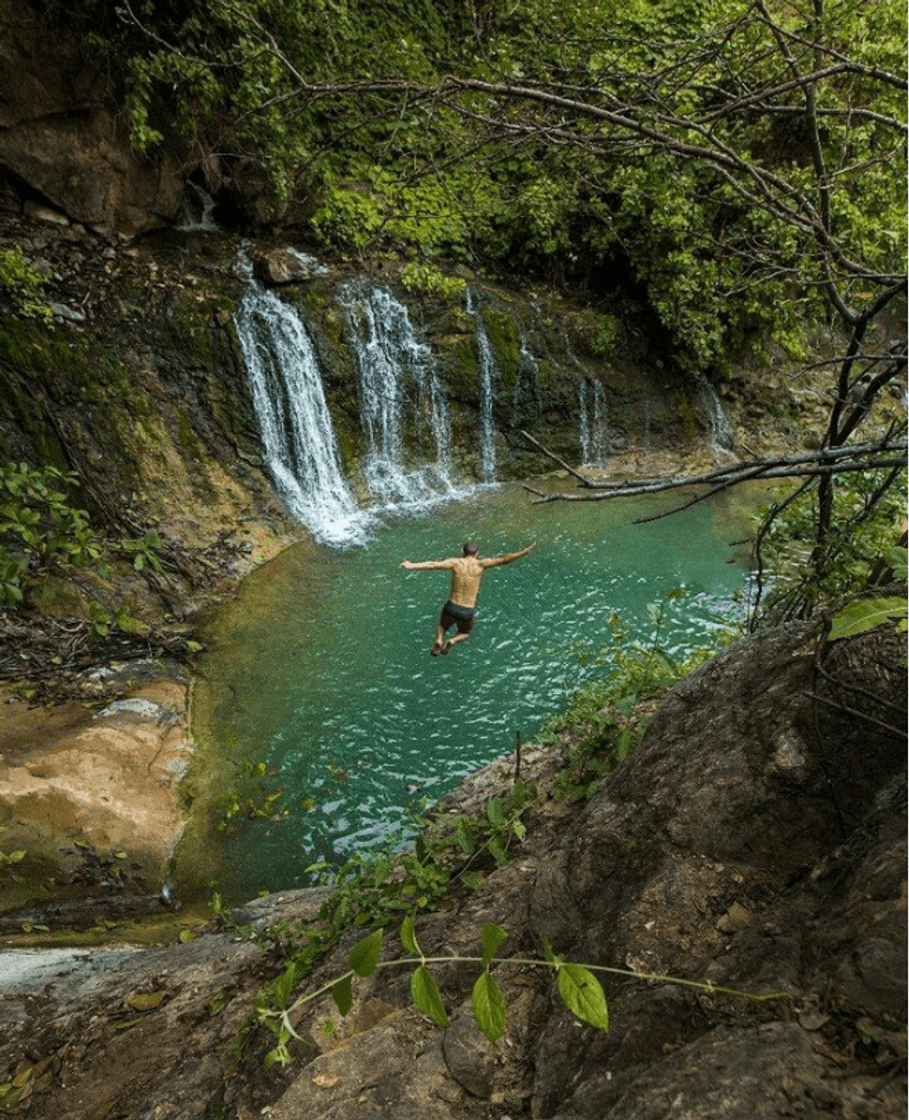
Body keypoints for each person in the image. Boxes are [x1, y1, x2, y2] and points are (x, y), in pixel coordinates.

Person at [401, 539, 537, 656]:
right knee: (465, 633)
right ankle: (453, 640)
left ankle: (439, 639)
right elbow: (504, 560)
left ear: (463, 551)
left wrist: (411, 565)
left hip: (452, 606)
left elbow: (432, 565)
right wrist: (523, 552)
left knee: (442, 625)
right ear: (477, 553)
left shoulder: (455, 563)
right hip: (467, 610)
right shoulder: (481, 564)